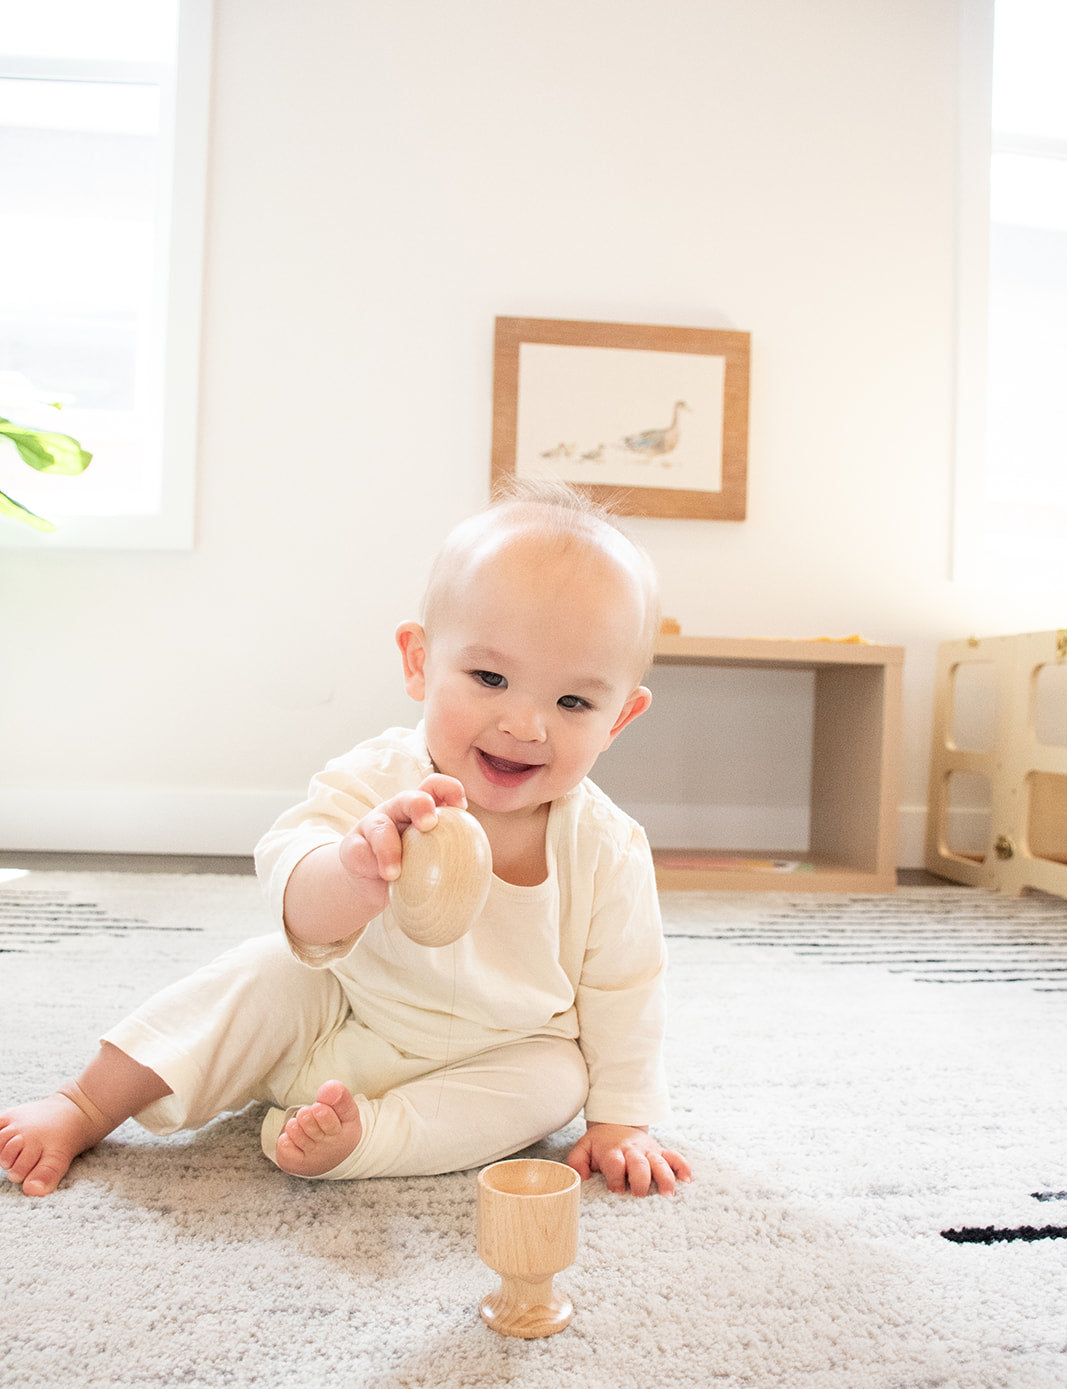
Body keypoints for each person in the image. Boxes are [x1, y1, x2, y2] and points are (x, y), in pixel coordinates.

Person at [0, 482, 690, 1200]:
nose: (524, 724)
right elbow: (292, 890)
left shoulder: (607, 846)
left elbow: (625, 985)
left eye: (572, 701)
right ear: (418, 661)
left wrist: (619, 1119)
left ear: (619, 719)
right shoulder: (378, 779)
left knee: (556, 1079)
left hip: (497, 1051)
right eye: (489, 677)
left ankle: (365, 1138)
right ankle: (84, 1103)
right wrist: (350, 872)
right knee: (262, 973)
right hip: (342, 1011)